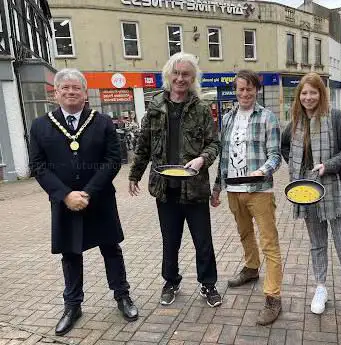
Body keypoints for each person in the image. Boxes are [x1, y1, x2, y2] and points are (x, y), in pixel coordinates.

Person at [29, 68, 138, 336]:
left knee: (111, 249)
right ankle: (72, 305)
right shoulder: (41, 125)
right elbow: (38, 166)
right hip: (64, 202)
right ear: (56, 93)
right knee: (70, 253)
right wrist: (65, 195)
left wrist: (88, 192)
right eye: (64, 88)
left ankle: (122, 296)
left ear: (84, 92)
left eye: (75, 88)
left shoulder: (102, 122)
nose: (70, 92)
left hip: (99, 199)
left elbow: (113, 160)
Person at [128, 52, 222, 308]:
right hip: (165, 189)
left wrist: (203, 159)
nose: (181, 78)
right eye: (177, 73)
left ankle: (208, 284)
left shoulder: (202, 109)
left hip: (195, 189)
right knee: (170, 241)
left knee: (203, 241)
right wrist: (135, 173)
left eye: (186, 74)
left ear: (193, 78)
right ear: (169, 75)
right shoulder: (155, 106)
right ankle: (171, 281)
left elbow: (214, 143)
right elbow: (144, 144)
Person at [281, 72, 341, 317]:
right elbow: (284, 146)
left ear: (321, 93)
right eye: (304, 93)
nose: (308, 97)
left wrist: (327, 165)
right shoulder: (295, 120)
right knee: (317, 244)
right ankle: (321, 287)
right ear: (299, 95)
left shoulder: (335, 117)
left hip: (334, 187)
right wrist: (296, 166)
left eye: (313, 92)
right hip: (306, 190)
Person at [211, 69, 283, 325]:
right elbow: (223, 156)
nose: (244, 93)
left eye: (249, 89)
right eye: (240, 89)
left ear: (256, 90)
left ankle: (273, 297)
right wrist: (217, 187)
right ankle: (251, 269)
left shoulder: (267, 118)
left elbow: (276, 155)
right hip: (234, 189)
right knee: (244, 234)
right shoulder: (228, 118)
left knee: (269, 243)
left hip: (259, 190)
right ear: (236, 90)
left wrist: (262, 171)